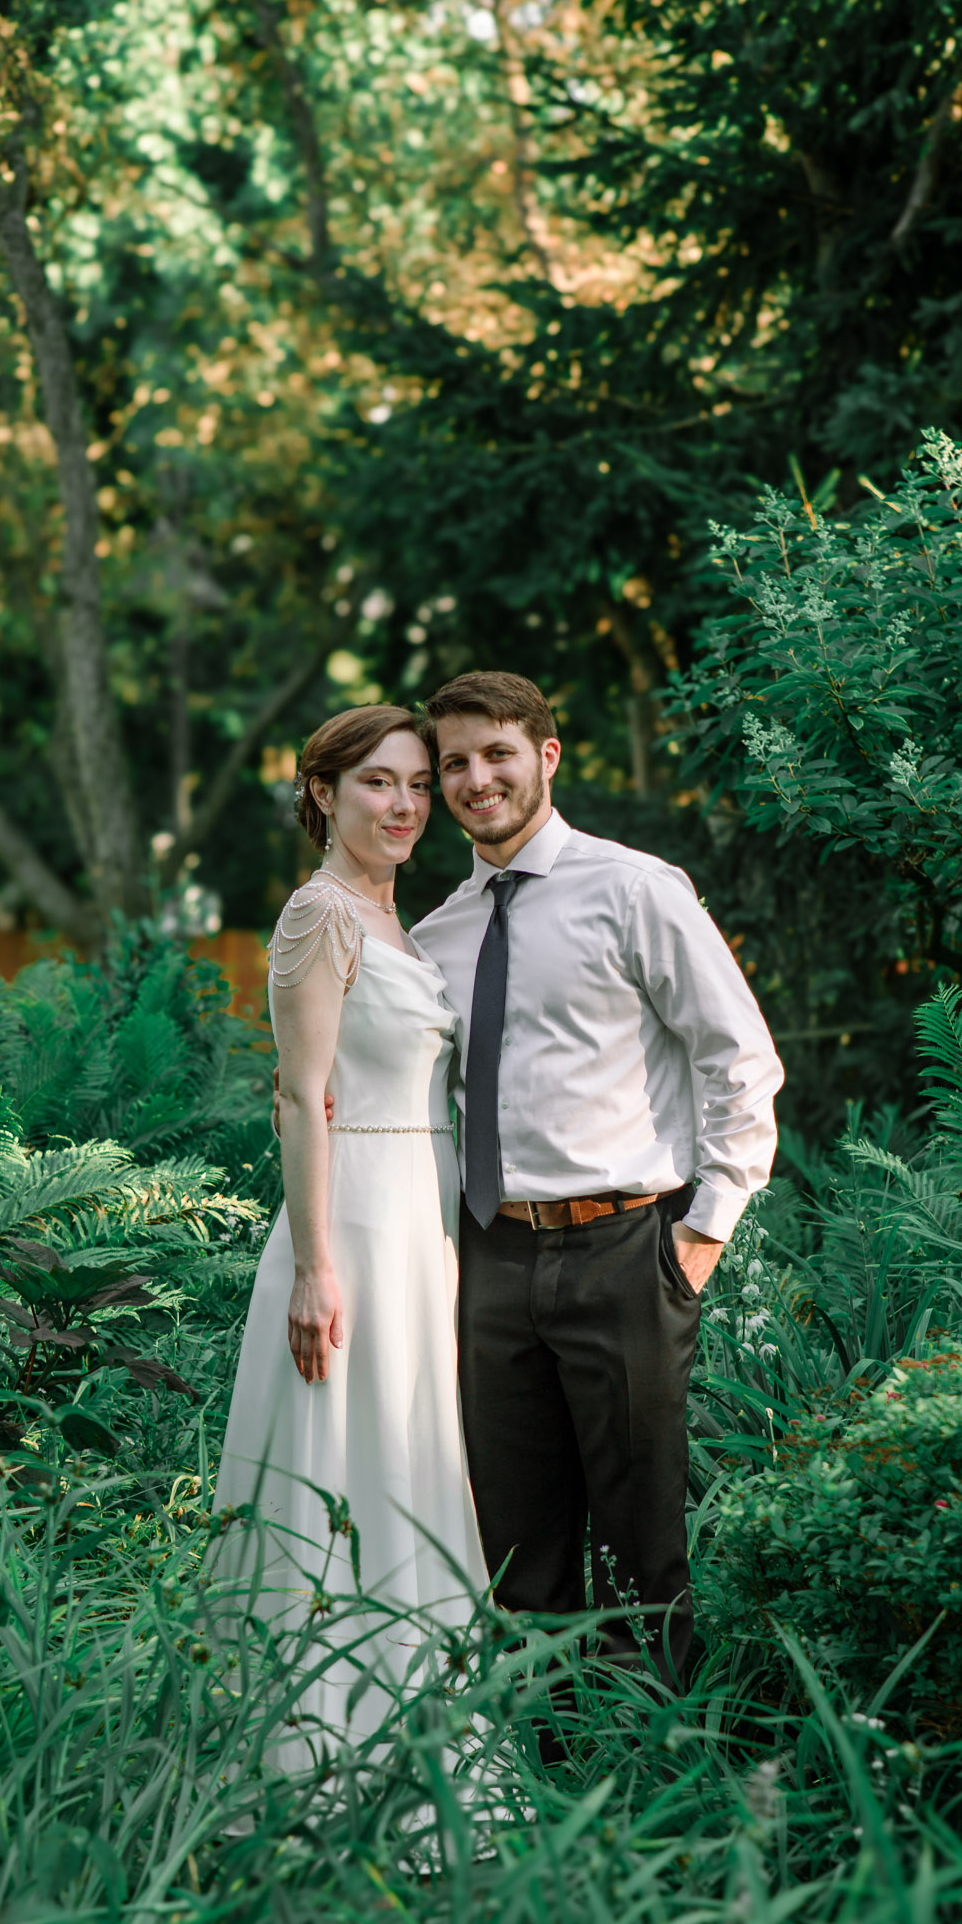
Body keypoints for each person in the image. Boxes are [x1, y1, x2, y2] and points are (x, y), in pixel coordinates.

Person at [410, 670, 783, 1689]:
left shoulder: (635, 890)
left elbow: (740, 1059)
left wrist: (702, 1234)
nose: (476, 779)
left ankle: (657, 1775)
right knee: (516, 1553)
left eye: (496, 754)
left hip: (626, 1248)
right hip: (487, 1260)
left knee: (638, 1543)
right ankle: (544, 1771)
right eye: (455, 763)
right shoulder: (435, 934)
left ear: (546, 755)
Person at [208, 704, 487, 1758]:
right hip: (357, 1226)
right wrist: (318, 1269)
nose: (406, 804)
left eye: (419, 784)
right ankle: (315, 1751)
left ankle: (417, 1730)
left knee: (413, 1460)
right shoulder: (317, 916)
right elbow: (299, 1095)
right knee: (347, 1462)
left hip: (423, 1224)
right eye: (380, 782)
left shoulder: (397, 921)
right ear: (323, 793)